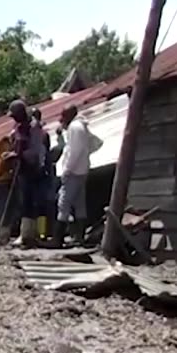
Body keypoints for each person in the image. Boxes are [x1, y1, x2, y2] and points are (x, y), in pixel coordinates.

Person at [55, 104, 103, 246]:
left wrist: (67, 170)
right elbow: (94, 144)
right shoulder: (82, 126)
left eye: (63, 115)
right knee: (79, 204)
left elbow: (74, 152)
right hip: (82, 170)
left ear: (70, 114)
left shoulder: (75, 128)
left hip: (74, 171)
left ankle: (57, 239)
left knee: (64, 203)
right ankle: (79, 237)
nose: (61, 119)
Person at [5, 100, 47, 246]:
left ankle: (28, 234)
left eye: (15, 116)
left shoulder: (33, 127)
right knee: (23, 200)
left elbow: (35, 151)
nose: (13, 119)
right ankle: (26, 232)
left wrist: (17, 156)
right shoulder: (19, 127)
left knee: (29, 200)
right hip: (21, 167)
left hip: (31, 167)